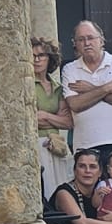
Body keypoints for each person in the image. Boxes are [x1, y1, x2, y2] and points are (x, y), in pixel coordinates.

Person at [59, 22, 112, 169]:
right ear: (75, 44)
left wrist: (91, 89)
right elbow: (76, 105)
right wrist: (108, 88)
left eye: (91, 38)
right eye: (81, 39)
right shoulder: (70, 69)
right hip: (87, 142)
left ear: (101, 40)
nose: (87, 43)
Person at [31, 35, 74, 202]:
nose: (36, 60)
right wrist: (55, 118)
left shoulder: (57, 87)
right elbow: (30, 120)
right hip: (35, 144)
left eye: (41, 55)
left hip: (56, 144)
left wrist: (45, 115)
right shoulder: (25, 84)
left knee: (59, 190)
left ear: (50, 58)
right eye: (32, 56)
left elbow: (68, 122)